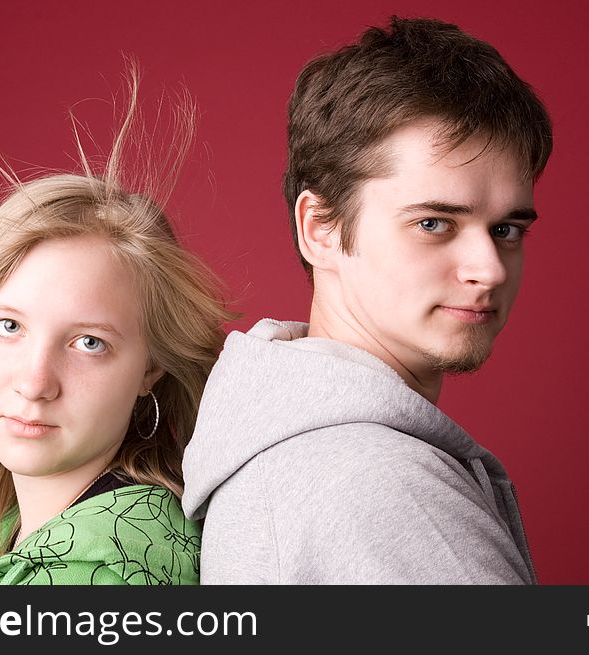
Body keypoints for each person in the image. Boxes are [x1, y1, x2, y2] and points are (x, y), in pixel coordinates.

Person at [182, 16, 553, 584]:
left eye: (507, 229)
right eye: (434, 223)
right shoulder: (378, 487)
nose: (488, 269)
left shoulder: (290, 446)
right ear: (321, 228)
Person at [0, 80, 233, 584]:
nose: (35, 383)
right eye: (9, 326)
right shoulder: (18, 528)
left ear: (152, 366)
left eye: (89, 342)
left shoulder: (108, 565)